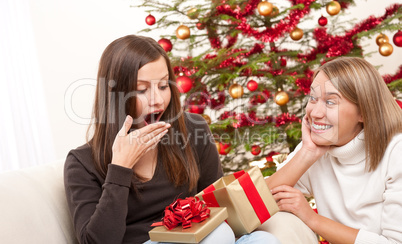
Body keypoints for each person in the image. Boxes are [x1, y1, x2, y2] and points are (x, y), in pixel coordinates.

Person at [64, 35, 279, 244]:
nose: (157, 100)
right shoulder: (82, 163)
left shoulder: (193, 130)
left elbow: (216, 206)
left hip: (196, 235)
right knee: (218, 235)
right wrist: (120, 166)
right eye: (141, 89)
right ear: (116, 96)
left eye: (164, 86)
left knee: (263, 240)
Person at [259, 57, 402, 243]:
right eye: (313, 98)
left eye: (330, 102)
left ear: (363, 112)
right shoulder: (316, 148)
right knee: (276, 220)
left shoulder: (396, 151)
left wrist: (312, 218)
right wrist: (306, 154)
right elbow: (254, 205)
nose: (315, 113)